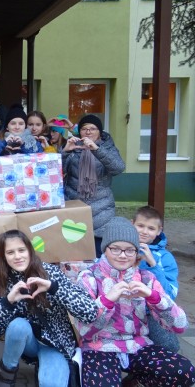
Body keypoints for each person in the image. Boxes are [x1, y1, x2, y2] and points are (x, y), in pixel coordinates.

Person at [76, 217, 194, 387]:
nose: (123, 255)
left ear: (136, 251)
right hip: (99, 347)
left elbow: (180, 326)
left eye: (130, 250)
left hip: (137, 345)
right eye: (116, 249)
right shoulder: (89, 277)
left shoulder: (146, 278)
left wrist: (154, 298)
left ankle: (134, 382)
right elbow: (85, 330)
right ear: (105, 249)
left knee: (184, 371)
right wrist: (107, 300)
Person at [0, 230, 97, 387]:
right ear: (3, 256)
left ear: (30, 251)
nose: (17, 256)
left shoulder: (49, 272)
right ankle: (7, 375)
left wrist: (53, 287)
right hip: (25, 342)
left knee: (51, 383)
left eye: (21, 250)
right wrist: (8, 301)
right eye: (10, 252)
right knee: (18, 326)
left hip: (54, 342)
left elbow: (90, 312)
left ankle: (44, 369)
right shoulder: (2, 279)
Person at [62, 114, 125, 257]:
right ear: (80, 132)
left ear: (100, 132)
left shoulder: (107, 148)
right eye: (84, 129)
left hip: (101, 209)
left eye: (93, 128)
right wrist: (65, 152)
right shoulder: (74, 146)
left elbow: (118, 168)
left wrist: (96, 149)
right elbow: (57, 172)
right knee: (74, 252)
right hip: (74, 205)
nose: (88, 132)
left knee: (98, 253)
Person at [132, 205, 180, 352]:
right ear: (132, 224)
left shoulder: (166, 258)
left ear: (159, 230)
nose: (145, 232)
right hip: (123, 309)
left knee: (170, 346)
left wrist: (152, 263)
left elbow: (169, 294)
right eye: (140, 226)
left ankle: (147, 371)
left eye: (151, 228)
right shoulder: (118, 247)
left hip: (151, 313)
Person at [0, 104, 43, 177]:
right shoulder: (0, 142)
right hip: (4, 185)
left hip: (28, 185)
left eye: (21, 124)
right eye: (13, 123)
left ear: (25, 126)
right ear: (7, 127)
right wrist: (3, 143)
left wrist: (23, 146)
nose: (17, 127)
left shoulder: (33, 142)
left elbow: (41, 164)